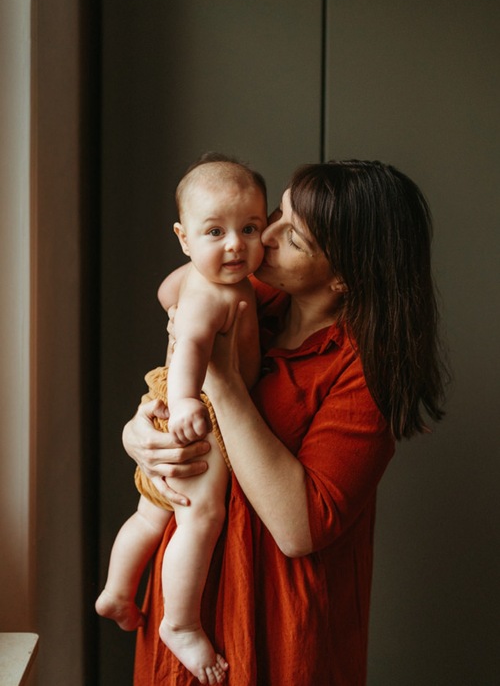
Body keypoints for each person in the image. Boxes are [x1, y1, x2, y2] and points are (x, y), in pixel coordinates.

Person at [122, 159, 448, 686]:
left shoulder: (364, 372)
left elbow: (301, 528)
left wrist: (223, 385)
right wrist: (140, 435)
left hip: (278, 623)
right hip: (187, 599)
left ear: (344, 275)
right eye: (277, 213)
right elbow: (171, 386)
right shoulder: (248, 296)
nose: (263, 237)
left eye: (293, 236)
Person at [96, 154, 268, 685]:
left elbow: (165, 296)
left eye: (250, 228)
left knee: (153, 514)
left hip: (178, 394)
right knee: (201, 515)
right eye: (215, 231)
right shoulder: (216, 293)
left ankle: (118, 589)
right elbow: (191, 340)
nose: (236, 244)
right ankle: (180, 622)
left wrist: (197, 266)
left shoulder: (198, 276)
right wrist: (190, 399)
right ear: (183, 236)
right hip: (201, 408)